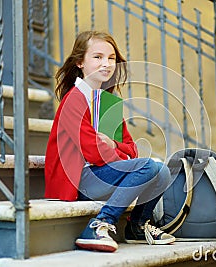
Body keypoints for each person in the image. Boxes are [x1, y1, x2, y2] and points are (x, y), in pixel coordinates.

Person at [44, 30, 175, 252]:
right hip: (78, 180)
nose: (106, 63)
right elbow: (94, 153)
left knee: (162, 171)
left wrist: (114, 146)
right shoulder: (73, 100)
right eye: (97, 57)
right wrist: (120, 156)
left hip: (103, 174)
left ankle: (137, 225)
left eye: (111, 58)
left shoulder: (108, 103)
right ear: (80, 63)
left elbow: (132, 149)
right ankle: (99, 224)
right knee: (148, 167)